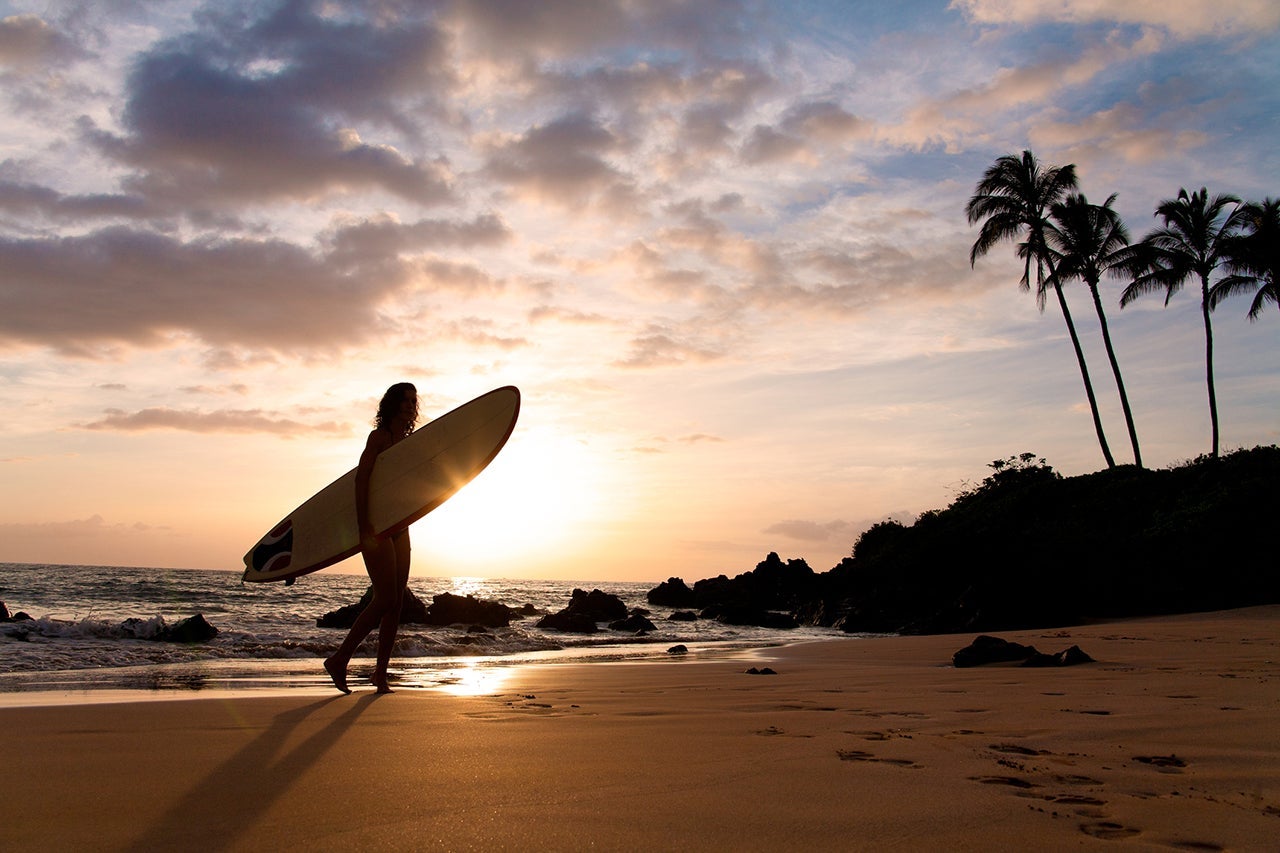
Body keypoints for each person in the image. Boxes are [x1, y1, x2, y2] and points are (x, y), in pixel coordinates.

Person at [324, 382, 418, 694]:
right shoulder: (378, 438)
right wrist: (364, 527)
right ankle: (339, 659)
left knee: (397, 604)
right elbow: (361, 480)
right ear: (392, 405)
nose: (409, 405)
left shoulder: (411, 441)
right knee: (386, 598)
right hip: (377, 526)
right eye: (404, 401)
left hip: (400, 526)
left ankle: (380, 674)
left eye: (412, 401)